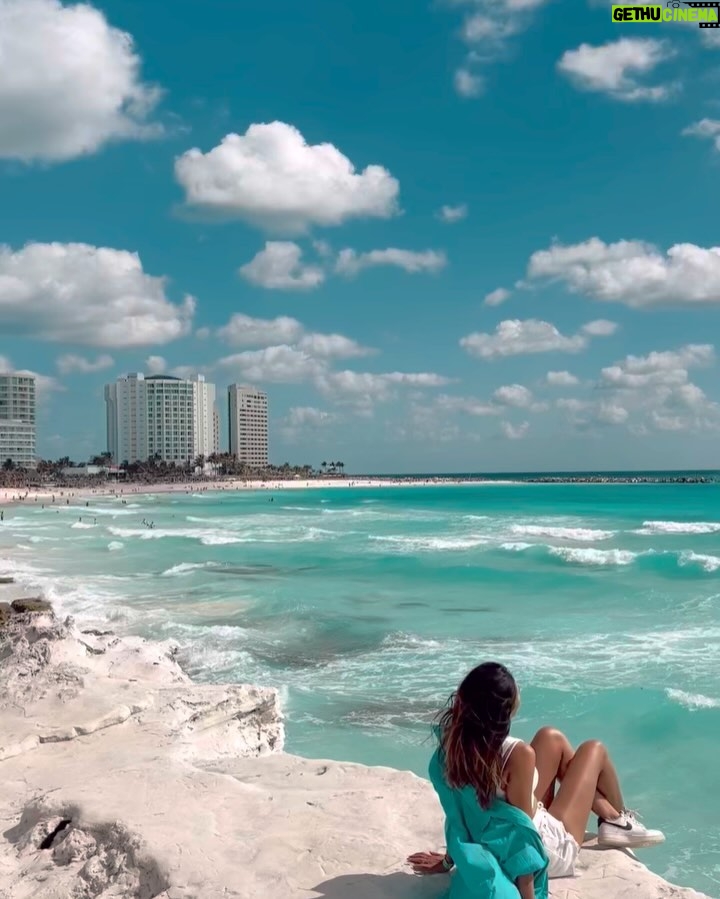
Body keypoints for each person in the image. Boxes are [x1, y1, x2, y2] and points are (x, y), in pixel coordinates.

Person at [407, 662, 664, 898]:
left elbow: (458, 813)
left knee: (550, 737)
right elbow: (521, 835)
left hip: (503, 818)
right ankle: (617, 819)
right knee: (594, 750)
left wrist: (448, 861)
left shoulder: (454, 743)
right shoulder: (518, 754)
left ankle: (609, 816)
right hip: (544, 848)